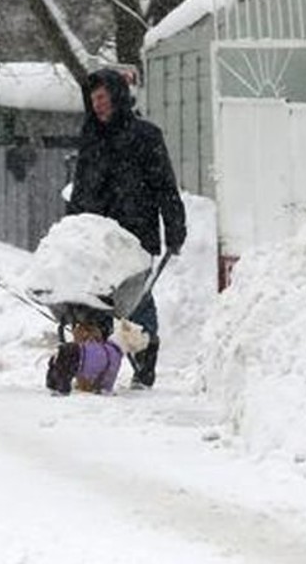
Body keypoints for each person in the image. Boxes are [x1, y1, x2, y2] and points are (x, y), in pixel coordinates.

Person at [67, 69, 185, 389]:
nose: (98, 105)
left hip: (136, 233)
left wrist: (175, 225)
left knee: (135, 301)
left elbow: (165, 186)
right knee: (99, 301)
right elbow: (81, 185)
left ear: (118, 96)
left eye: (103, 97)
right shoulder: (91, 135)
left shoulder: (146, 136)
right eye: (93, 100)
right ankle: (98, 362)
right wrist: (70, 223)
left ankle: (145, 358)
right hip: (98, 234)